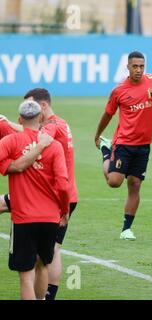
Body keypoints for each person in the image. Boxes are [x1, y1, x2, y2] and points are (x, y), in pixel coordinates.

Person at [0, 88, 78, 300]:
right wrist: (63, 211)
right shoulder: (54, 143)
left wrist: (13, 164)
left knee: (26, 275)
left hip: (26, 215)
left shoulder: (26, 139)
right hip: (53, 210)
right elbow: (62, 184)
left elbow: (30, 141)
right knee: (43, 264)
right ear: (39, 116)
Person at [94, 51, 152, 241]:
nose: (138, 70)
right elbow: (108, 114)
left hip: (144, 145)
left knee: (135, 184)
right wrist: (97, 134)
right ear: (128, 67)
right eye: (135, 66)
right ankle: (107, 151)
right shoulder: (119, 90)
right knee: (114, 182)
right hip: (123, 143)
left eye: (141, 66)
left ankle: (126, 229)